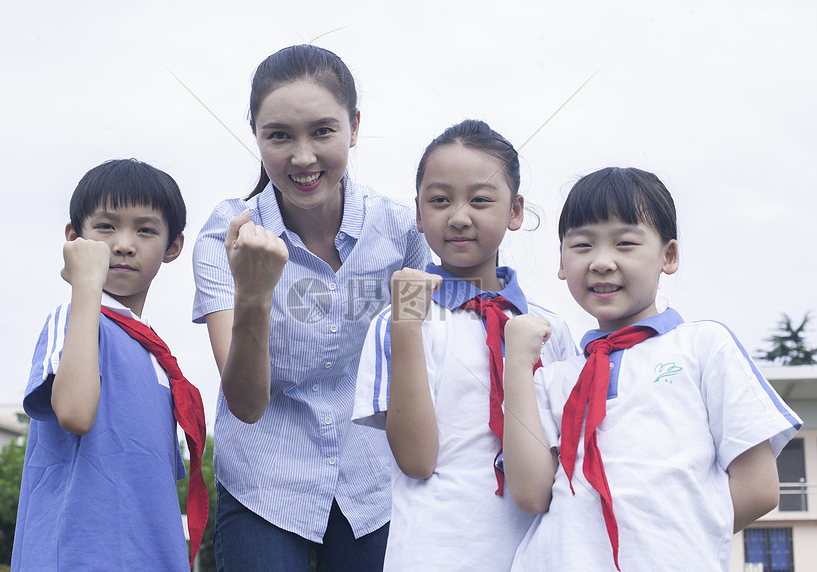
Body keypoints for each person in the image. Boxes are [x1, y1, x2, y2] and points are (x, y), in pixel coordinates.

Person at [191, 44, 429, 571]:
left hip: (373, 485)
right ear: (255, 134)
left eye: (323, 131)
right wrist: (254, 292)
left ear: (355, 126)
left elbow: (419, 358)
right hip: (263, 483)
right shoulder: (221, 239)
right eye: (279, 136)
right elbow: (246, 404)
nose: (302, 158)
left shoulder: (406, 237)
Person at [503, 167, 802, 571]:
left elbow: (760, 488)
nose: (602, 262)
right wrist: (518, 368)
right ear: (561, 260)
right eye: (582, 245)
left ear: (669, 256)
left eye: (625, 243)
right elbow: (532, 495)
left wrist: (670, 548)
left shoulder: (702, 347)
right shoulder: (552, 377)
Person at [352, 119, 578, 570]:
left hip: (539, 555)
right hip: (432, 555)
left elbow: (568, 463)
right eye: (439, 200)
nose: (458, 216)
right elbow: (417, 460)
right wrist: (407, 321)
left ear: (515, 212)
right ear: (418, 213)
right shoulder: (397, 319)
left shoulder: (549, 329)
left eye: (480, 199)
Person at [12, 159, 208, 571]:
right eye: (105, 227)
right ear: (74, 237)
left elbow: (149, 482)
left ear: (173, 246)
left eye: (146, 229)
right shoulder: (77, 319)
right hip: (79, 558)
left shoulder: (155, 355)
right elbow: (76, 414)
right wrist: (86, 285)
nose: (123, 243)